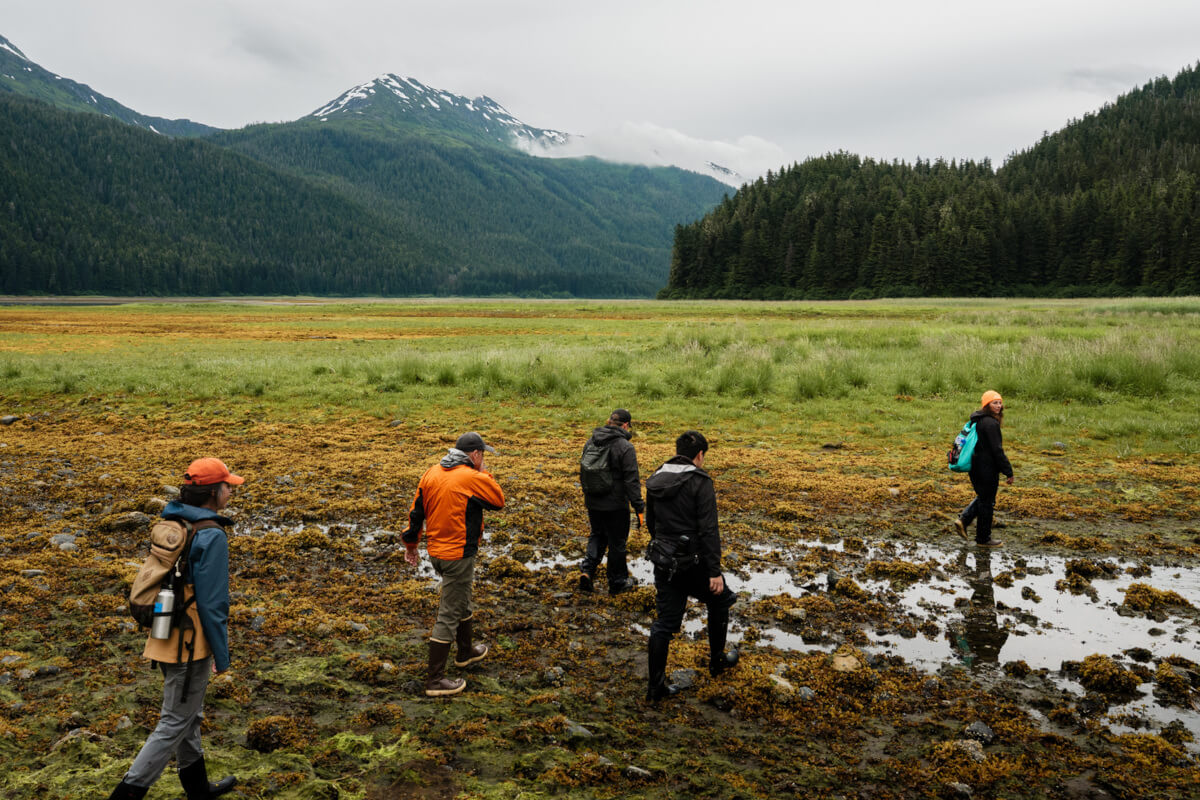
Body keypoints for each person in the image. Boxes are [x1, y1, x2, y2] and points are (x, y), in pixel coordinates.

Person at [108, 458, 243, 800]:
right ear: (213, 492)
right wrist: (222, 656)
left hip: (166, 631)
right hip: (190, 641)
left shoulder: (176, 521)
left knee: (187, 714)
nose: (232, 490)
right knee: (173, 722)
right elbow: (214, 605)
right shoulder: (212, 535)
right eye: (228, 486)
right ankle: (126, 794)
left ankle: (198, 789)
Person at [403, 431, 505, 697]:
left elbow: (416, 513)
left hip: (436, 553)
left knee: (462, 598)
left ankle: (465, 652)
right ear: (475, 455)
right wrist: (483, 472)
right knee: (448, 613)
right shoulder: (472, 477)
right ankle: (435, 680)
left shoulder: (431, 472)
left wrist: (412, 545)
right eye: (482, 456)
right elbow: (498, 500)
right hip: (458, 555)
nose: (483, 460)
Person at [643, 430, 738, 702]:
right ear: (700, 455)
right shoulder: (700, 480)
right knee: (721, 599)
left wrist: (665, 547)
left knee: (665, 623)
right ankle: (717, 661)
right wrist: (714, 571)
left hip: (664, 559)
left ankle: (655, 686)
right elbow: (709, 529)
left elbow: (652, 524)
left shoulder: (657, 476)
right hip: (693, 562)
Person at [577, 408, 645, 595]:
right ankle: (617, 582)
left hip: (593, 500)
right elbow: (631, 480)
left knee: (597, 535)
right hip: (616, 505)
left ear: (609, 422)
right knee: (617, 542)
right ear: (625, 425)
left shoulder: (591, 440)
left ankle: (587, 571)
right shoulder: (625, 446)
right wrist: (639, 507)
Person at [954, 390, 1014, 547]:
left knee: (983, 498)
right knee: (987, 502)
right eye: (994, 403)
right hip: (986, 469)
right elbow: (997, 450)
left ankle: (964, 520)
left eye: (1000, 402)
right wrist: (1008, 471)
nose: (998, 406)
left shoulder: (977, 420)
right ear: (986, 405)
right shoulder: (991, 424)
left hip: (974, 468)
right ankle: (983, 539)